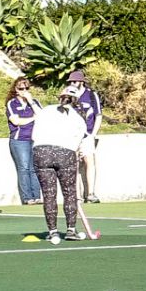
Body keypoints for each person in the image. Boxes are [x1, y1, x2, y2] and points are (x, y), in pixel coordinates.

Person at [30, 86, 91, 243]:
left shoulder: (46, 110)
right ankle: (71, 230)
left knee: (49, 194)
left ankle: (53, 232)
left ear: (60, 96)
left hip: (41, 152)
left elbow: (34, 134)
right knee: (69, 193)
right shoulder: (78, 118)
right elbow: (80, 143)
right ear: (76, 100)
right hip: (65, 153)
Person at [67, 68, 103, 203]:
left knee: (90, 161)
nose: (72, 84)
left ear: (81, 82)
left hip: (87, 135)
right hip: (72, 136)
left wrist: (93, 134)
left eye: (75, 81)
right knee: (74, 165)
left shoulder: (91, 95)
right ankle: (77, 196)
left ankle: (91, 193)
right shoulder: (68, 95)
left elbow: (98, 115)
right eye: (71, 82)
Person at [5, 77, 42, 206]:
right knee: (24, 168)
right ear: (16, 90)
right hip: (20, 140)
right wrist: (33, 118)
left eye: (26, 88)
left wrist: (31, 101)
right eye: (21, 88)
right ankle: (27, 197)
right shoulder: (12, 104)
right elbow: (16, 121)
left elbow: (42, 116)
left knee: (34, 168)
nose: (24, 91)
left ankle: (37, 196)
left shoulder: (34, 102)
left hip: (35, 139)